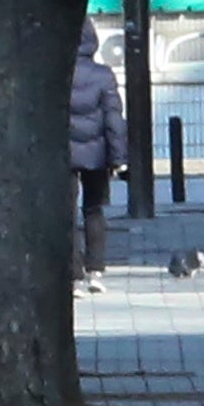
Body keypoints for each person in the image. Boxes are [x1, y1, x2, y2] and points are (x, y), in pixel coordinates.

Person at [64, 40, 126, 277]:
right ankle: (96, 268)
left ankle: (74, 269)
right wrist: (118, 156)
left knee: (66, 212)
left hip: (66, 152)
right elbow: (113, 118)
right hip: (97, 154)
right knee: (94, 209)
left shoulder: (58, 73)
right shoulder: (104, 75)